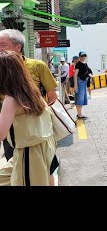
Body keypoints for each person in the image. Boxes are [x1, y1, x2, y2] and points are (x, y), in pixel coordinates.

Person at [0, 51, 58, 186]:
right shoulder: (31, 90)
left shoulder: (11, 98)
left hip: (29, 152)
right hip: (43, 146)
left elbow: (1, 133)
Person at [74, 51, 91, 119]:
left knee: (82, 98)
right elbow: (75, 75)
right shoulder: (78, 64)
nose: (83, 57)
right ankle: (79, 114)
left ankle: (79, 113)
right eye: (82, 56)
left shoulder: (85, 64)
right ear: (79, 57)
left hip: (84, 82)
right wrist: (75, 86)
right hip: (80, 82)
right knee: (80, 98)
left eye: (84, 55)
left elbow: (88, 71)